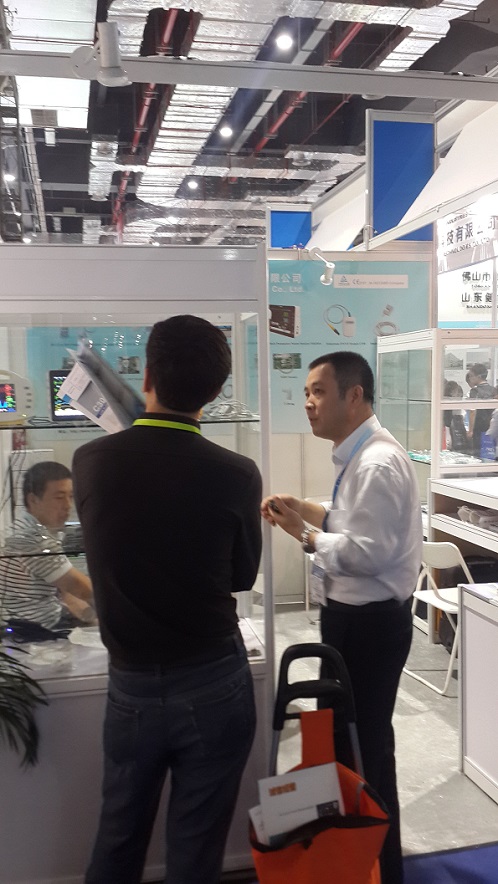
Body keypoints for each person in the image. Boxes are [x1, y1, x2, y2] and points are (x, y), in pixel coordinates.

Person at [72, 314, 262, 884]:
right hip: (213, 679)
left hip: (130, 684)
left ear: (148, 375)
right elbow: (242, 576)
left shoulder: (91, 461)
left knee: (117, 839)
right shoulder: (238, 473)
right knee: (195, 852)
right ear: (217, 391)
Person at [261, 351, 422, 884]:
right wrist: (304, 509)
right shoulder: (361, 456)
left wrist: (303, 535)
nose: (308, 403)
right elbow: (350, 522)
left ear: (354, 396)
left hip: (369, 627)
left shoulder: (376, 463)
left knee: (363, 748)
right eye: (307, 392)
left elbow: (365, 553)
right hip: (355, 622)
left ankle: (378, 867)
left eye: (319, 392)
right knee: (352, 744)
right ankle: (360, 864)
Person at [0, 461, 96, 630]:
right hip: (35, 632)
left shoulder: (22, 528)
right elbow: (84, 590)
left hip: (39, 620)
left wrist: (89, 615)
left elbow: (65, 590)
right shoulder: (35, 540)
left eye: (70, 496)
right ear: (33, 500)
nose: (68, 505)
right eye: (59, 497)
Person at [467, 363, 495, 456]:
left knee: (478, 452)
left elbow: (472, 411)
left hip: (479, 426)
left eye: (471, 376)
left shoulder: (474, 391)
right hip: (492, 425)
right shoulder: (493, 390)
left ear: (478, 376)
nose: (470, 378)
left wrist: (470, 430)